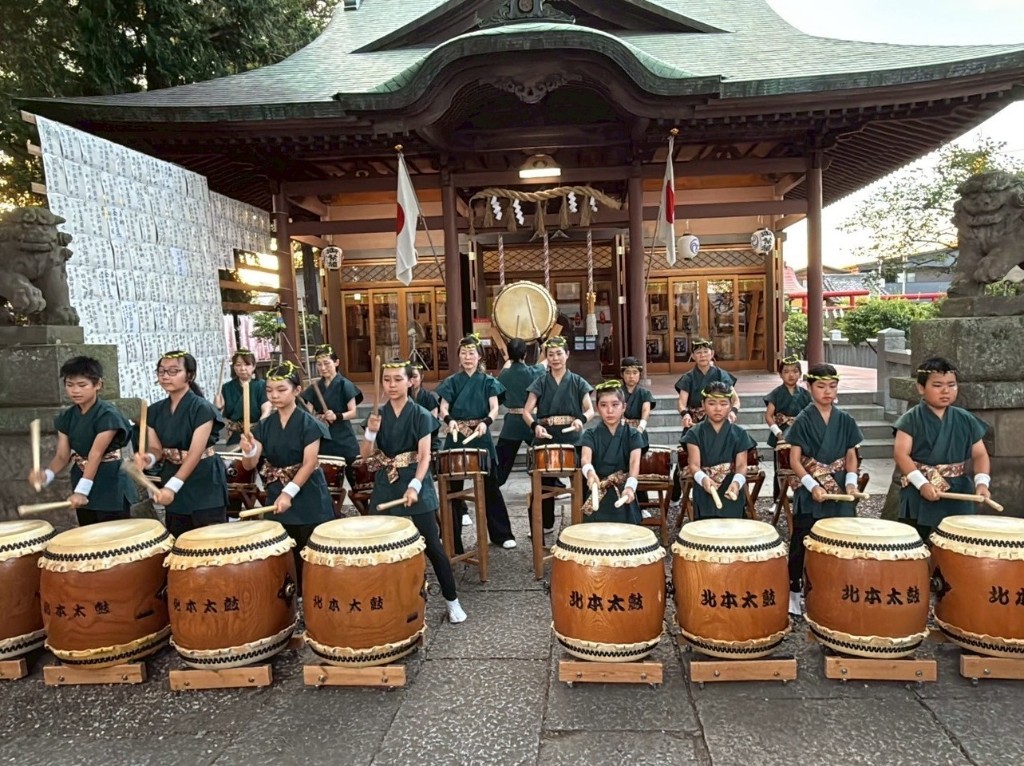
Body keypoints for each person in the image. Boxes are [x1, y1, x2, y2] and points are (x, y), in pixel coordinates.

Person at [362, 361, 466, 624]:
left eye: (398, 379)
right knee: (377, 544)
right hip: (386, 482)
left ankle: (452, 601)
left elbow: (423, 457)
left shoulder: (421, 415)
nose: (392, 385)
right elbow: (365, 456)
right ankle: (382, 601)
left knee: (432, 544)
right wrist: (370, 434)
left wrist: (416, 485)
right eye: (387, 380)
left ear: (411, 382)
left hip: (415, 481)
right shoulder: (378, 415)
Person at [240, 361, 334, 588]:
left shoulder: (309, 423)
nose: (274, 395)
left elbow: (309, 463)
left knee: (312, 553)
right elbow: (249, 464)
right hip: (277, 493)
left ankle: (317, 601)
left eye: (281, 390)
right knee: (285, 553)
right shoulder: (264, 426)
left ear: (297, 390)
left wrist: (288, 493)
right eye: (270, 390)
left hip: (307, 494)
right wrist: (250, 449)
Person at [785, 363, 864, 616]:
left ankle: (840, 588)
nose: (827, 392)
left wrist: (851, 482)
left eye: (832, 386)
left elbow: (851, 456)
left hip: (839, 487)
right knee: (801, 541)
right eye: (821, 386)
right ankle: (794, 591)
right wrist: (811, 486)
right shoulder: (802, 421)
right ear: (809, 388)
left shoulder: (846, 420)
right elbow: (794, 460)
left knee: (843, 541)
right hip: (811, 490)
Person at [29, 356, 134, 526]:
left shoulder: (108, 415)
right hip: (81, 477)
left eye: (82, 385)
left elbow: (96, 453)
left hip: (109, 480)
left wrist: (82, 491)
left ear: (98, 384)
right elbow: (63, 456)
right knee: (88, 540)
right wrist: (46, 475)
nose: (75, 391)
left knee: (113, 541)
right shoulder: (67, 417)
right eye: (70, 385)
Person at [894, 356, 990, 540]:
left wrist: (982, 483)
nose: (946, 390)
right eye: (937, 385)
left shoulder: (965, 419)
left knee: (958, 546)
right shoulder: (911, 419)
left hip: (958, 489)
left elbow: (980, 455)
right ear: (921, 388)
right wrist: (922, 484)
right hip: (919, 488)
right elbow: (901, 454)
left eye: (951, 385)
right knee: (916, 547)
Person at [135, 350, 228, 537]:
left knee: (211, 542)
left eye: (173, 371)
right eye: (162, 372)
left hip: (204, 479)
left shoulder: (202, 408)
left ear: (189, 375)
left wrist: (171, 487)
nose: (166, 376)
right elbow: (156, 449)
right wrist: (149, 458)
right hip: (171, 475)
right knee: (180, 542)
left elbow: (195, 453)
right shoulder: (153, 411)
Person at [436, 334, 516, 551]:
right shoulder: (451, 382)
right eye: (463, 353)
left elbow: (494, 408)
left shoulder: (489, 382)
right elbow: (443, 407)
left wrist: (486, 423)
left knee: (491, 486)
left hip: (481, 436)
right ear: (459, 358)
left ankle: (501, 534)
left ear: (479, 356)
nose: (467, 357)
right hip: (456, 437)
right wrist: (449, 420)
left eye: (472, 353)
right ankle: (452, 540)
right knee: (452, 488)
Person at [522, 335, 595, 535]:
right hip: (546, 436)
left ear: (567, 355)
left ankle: (584, 521)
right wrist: (535, 426)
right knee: (543, 484)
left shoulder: (578, 381)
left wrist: (581, 419)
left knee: (581, 481)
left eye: (559, 354)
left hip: (573, 437)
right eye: (551, 354)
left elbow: (590, 409)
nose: (555, 358)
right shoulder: (540, 381)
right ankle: (543, 524)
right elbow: (526, 411)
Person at [681, 381, 756, 520]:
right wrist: (703, 479)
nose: (717, 408)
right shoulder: (694, 433)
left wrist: (737, 483)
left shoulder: (740, 434)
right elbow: (694, 465)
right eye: (711, 403)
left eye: (723, 403)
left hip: (730, 484)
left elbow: (741, 466)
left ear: (730, 406)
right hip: (705, 486)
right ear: (703, 405)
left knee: (732, 534)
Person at [301, 344, 364, 499]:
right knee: (327, 482)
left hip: (343, 436)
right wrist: (317, 418)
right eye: (319, 364)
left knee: (358, 480)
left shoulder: (345, 384)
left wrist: (336, 416)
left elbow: (353, 412)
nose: (323, 368)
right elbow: (307, 412)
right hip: (324, 438)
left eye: (327, 363)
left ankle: (364, 508)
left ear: (336, 363)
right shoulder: (315, 386)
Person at [580, 381, 643, 524]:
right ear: (597, 408)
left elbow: (634, 463)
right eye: (604, 405)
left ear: (624, 407)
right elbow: (585, 459)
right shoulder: (590, 434)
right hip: (597, 489)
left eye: (615, 405)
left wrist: (630, 487)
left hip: (623, 490)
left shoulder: (633, 434)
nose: (609, 410)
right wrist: (590, 473)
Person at [495, 338, 546, 487]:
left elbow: (506, 367)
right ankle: (553, 483)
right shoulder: (534, 372)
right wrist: (540, 339)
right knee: (544, 458)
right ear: (525, 354)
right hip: (532, 421)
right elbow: (545, 358)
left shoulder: (504, 374)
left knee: (501, 463)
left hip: (511, 423)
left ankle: (493, 487)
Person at [763, 355, 812, 500]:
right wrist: (777, 432)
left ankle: (801, 496)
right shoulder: (776, 393)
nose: (791, 375)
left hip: (799, 434)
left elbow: (810, 414)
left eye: (795, 371)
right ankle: (778, 499)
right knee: (780, 468)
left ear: (800, 374)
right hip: (781, 433)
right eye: (786, 371)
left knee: (802, 464)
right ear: (780, 374)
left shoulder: (805, 394)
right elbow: (769, 416)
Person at [214, 348, 271, 446]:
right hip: (235, 434)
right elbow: (220, 413)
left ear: (254, 366)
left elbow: (266, 409)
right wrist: (218, 407)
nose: (243, 368)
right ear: (234, 367)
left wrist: (259, 428)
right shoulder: (227, 387)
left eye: (247, 364)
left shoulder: (261, 385)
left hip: (256, 433)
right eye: (238, 365)